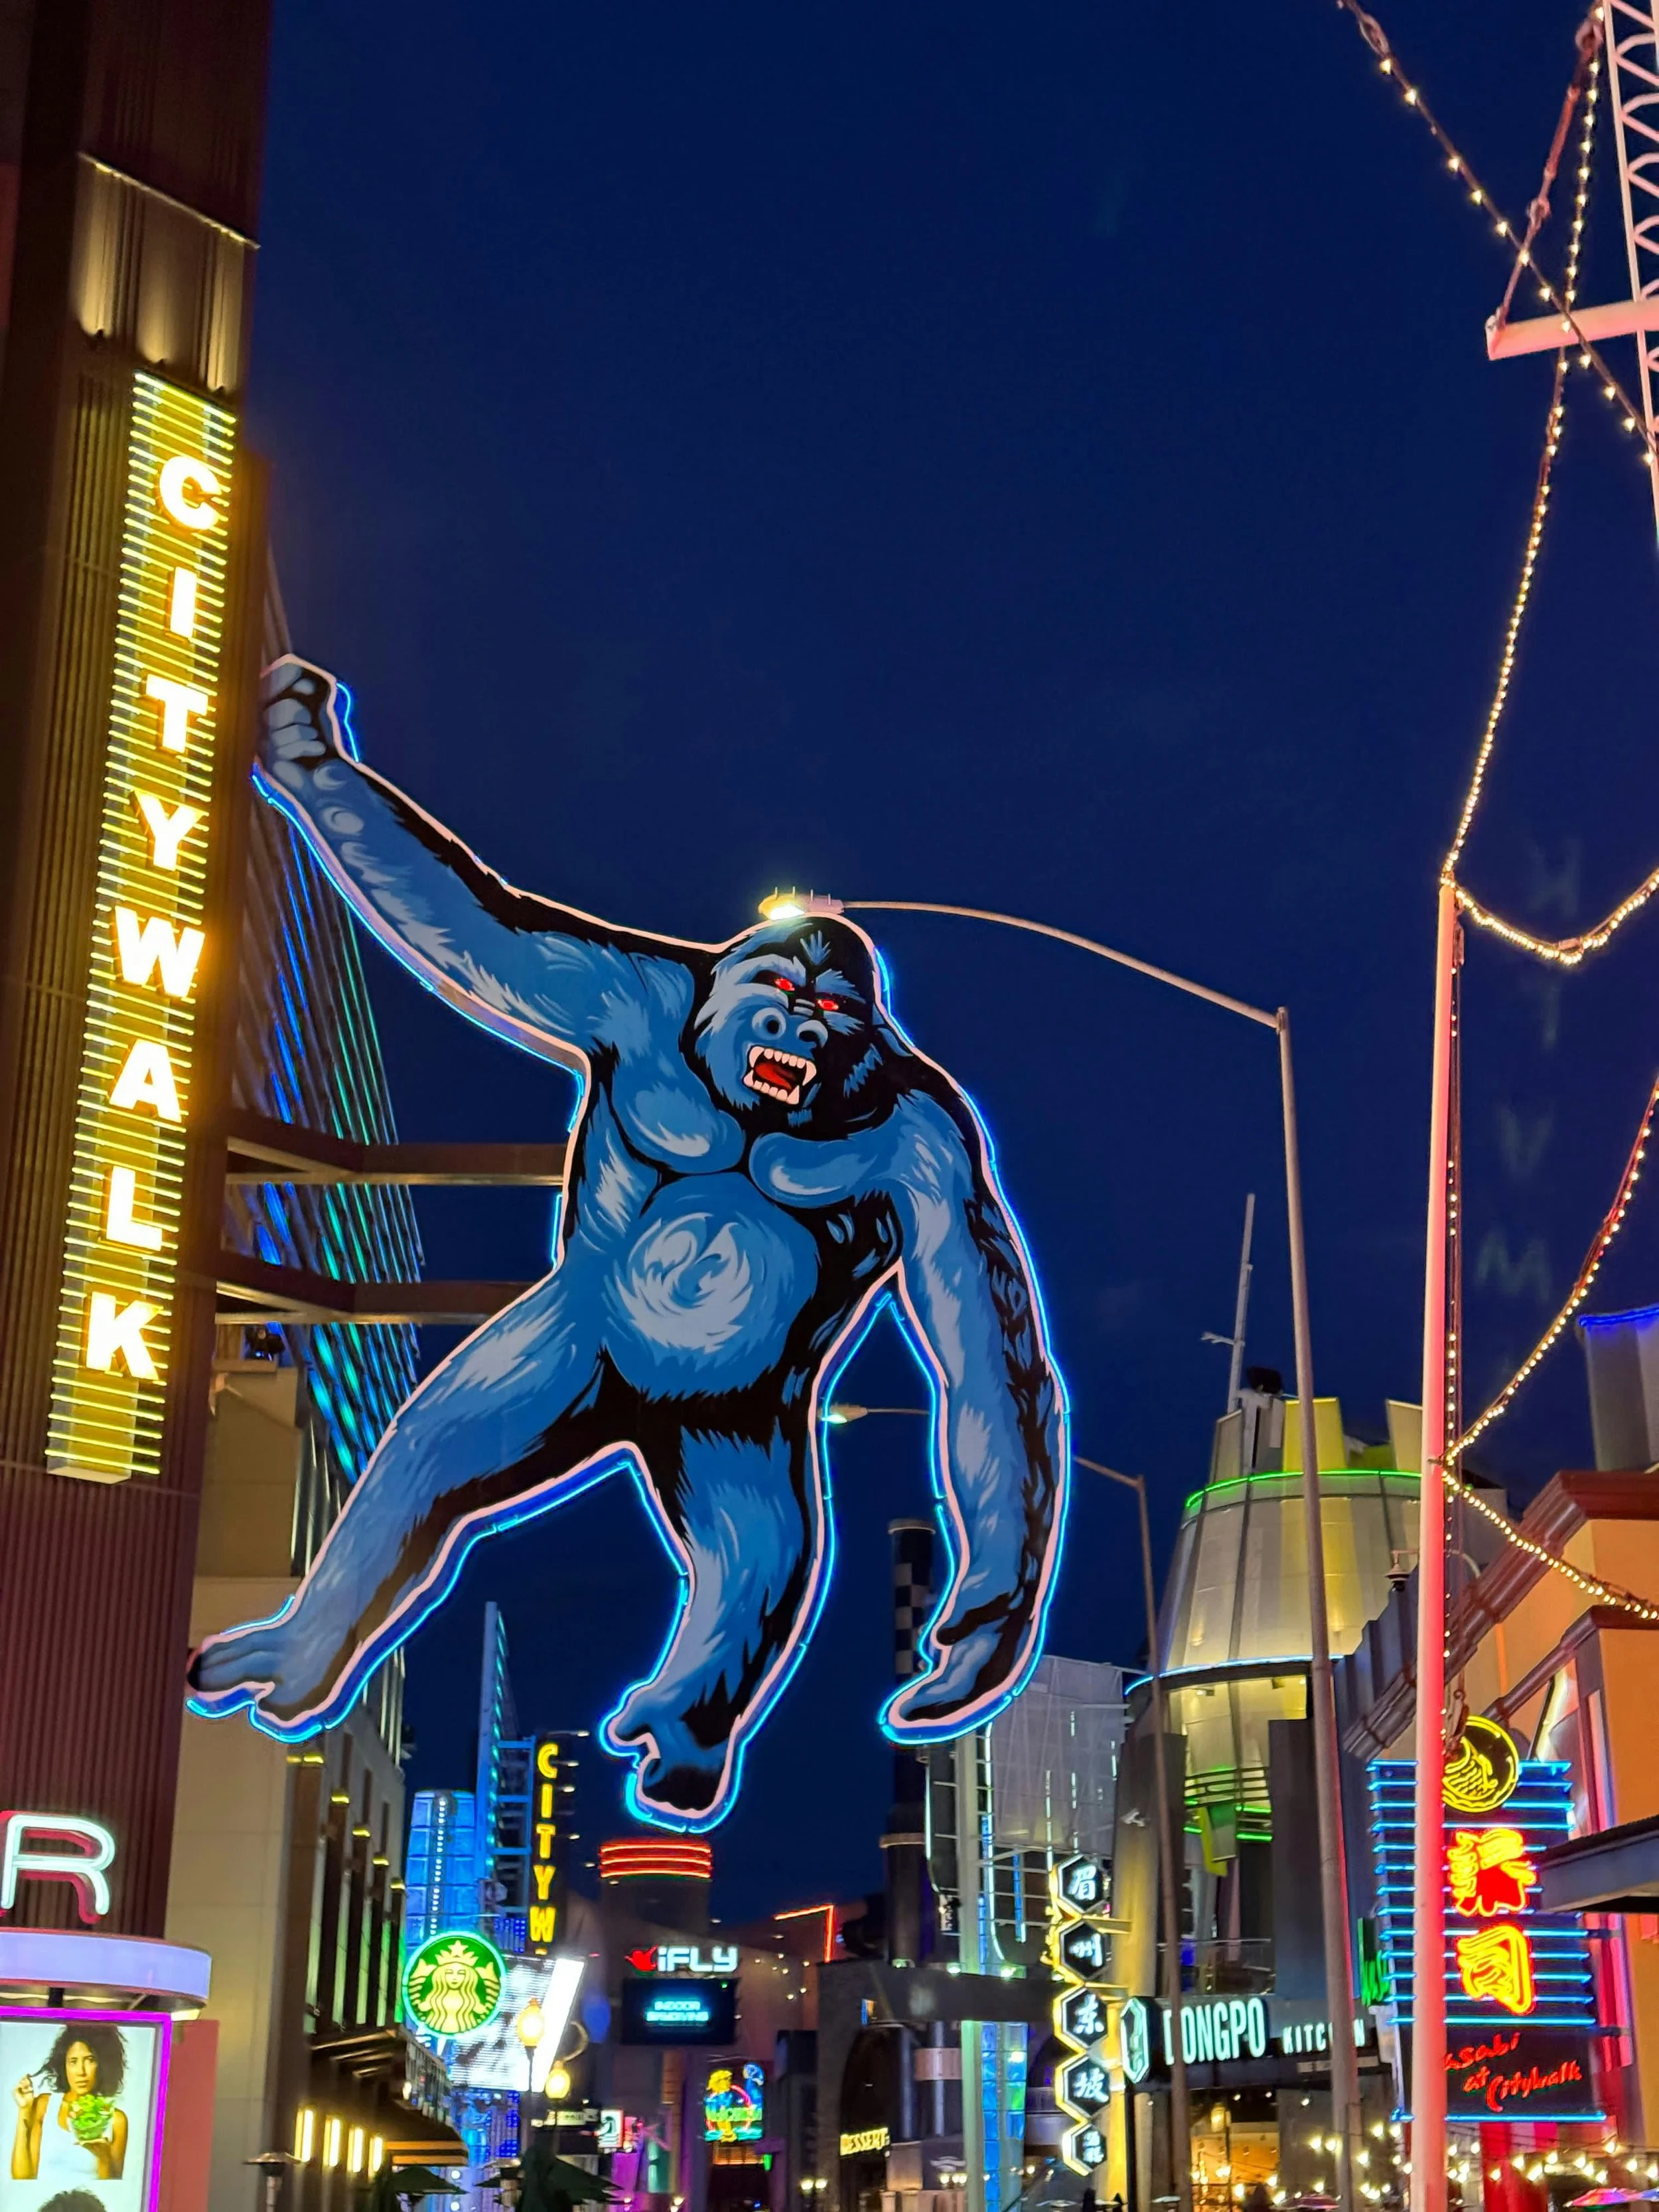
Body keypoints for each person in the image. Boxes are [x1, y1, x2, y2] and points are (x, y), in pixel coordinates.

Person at [11, 2024, 128, 2183]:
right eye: (73, 2062)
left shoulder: (116, 2120)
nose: (81, 2071)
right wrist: (24, 2111)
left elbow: (112, 2191)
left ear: (103, 2063)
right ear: (64, 2066)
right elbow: (22, 2177)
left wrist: (103, 2157)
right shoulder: (45, 2106)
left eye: (90, 2060)